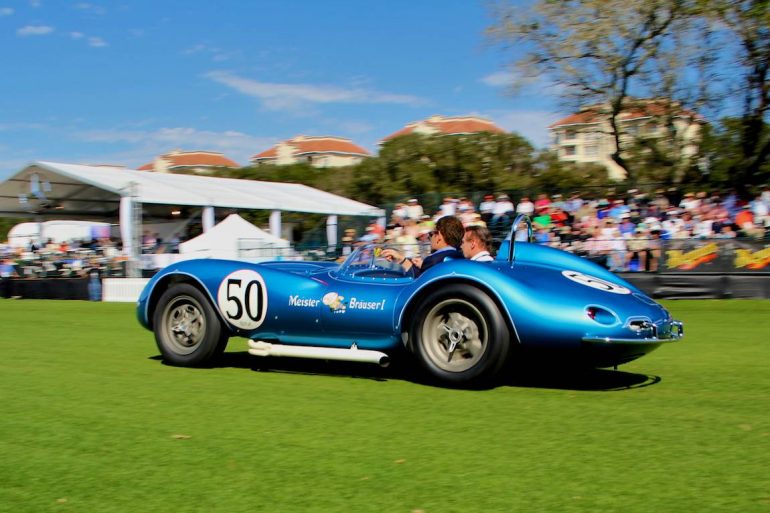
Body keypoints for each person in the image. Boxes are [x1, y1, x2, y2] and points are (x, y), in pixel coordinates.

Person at [382, 215, 464, 277]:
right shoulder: (460, 256)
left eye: (431, 234)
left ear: (438, 236)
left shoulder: (433, 260)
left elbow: (417, 281)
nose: (429, 238)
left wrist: (401, 259)